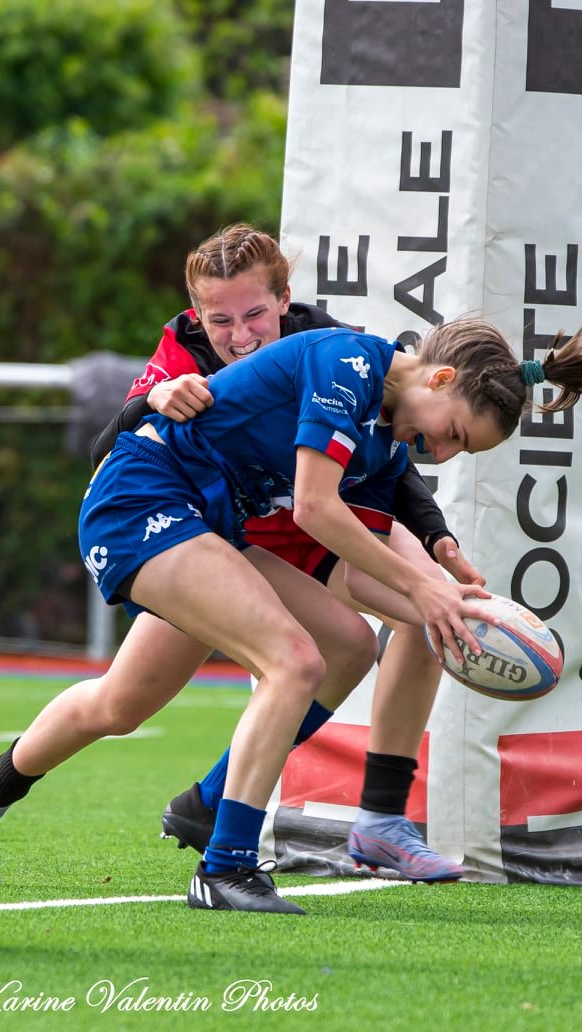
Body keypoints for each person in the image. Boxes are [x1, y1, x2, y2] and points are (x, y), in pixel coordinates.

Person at [0, 300, 582, 913]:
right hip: (142, 501)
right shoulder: (347, 366)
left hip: (212, 524)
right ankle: (223, 865)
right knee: (287, 661)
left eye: (455, 452)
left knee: (335, 650)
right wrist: (422, 591)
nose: (439, 455)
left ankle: (150, 802)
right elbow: (312, 507)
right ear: (438, 381)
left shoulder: (386, 428)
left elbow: (373, 531)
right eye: (452, 438)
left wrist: (447, 587)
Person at [85, 225, 481, 880]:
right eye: (221, 320)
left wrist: (435, 538)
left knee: (420, 605)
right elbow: (109, 449)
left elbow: (383, 454)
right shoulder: (180, 349)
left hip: (303, 511)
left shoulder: (326, 340)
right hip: (210, 526)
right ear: (195, 316)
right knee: (119, 706)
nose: (240, 335)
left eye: (254, 315)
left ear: (285, 303)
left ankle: (378, 819)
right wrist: (147, 398)